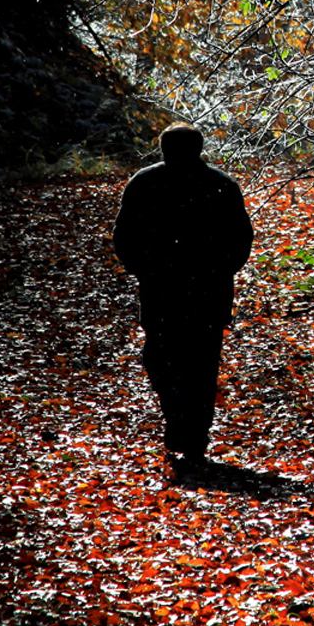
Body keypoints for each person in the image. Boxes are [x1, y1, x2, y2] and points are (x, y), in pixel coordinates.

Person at [112, 123, 253, 471]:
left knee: (161, 359)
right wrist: (221, 271)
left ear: (163, 148)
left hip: (162, 290)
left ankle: (179, 422)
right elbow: (241, 240)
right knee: (202, 366)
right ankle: (194, 435)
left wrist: (142, 268)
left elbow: (123, 235)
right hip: (208, 292)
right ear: (200, 147)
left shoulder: (144, 183)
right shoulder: (221, 185)